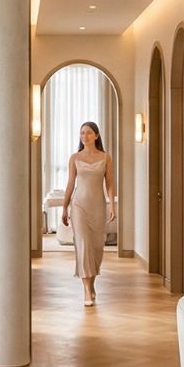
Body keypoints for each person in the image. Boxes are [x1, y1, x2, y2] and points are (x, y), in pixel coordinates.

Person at [61, 120, 116, 306]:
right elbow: (70, 184)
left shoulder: (106, 157)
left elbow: (110, 183)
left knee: (96, 247)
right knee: (83, 245)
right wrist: (64, 207)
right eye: (82, 133)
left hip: (98, 206)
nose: (85, 136)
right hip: (79, 206)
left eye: (89, 133)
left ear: (96, 135)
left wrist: (112, 205)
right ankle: (86, 290)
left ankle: (91, 285)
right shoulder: (74, 158)